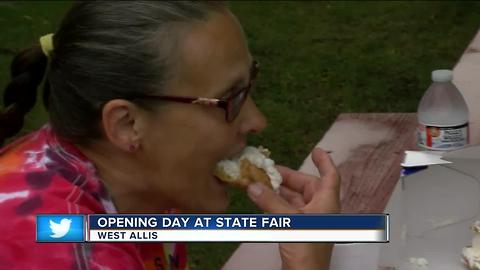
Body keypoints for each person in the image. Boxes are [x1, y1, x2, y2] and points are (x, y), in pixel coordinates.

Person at [0, 2, 340, 269]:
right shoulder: (65, 251)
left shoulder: (138, 184)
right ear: (126, 124)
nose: (257, 121)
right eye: (230, 99)